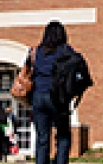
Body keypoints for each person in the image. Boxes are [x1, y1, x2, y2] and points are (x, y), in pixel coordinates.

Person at [28, 20, 75, 164]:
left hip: (38, 96)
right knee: (62, 135)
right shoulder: (65, 50)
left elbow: (27, 68)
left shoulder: (36, 51)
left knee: (42, 137)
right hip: (57, 97)